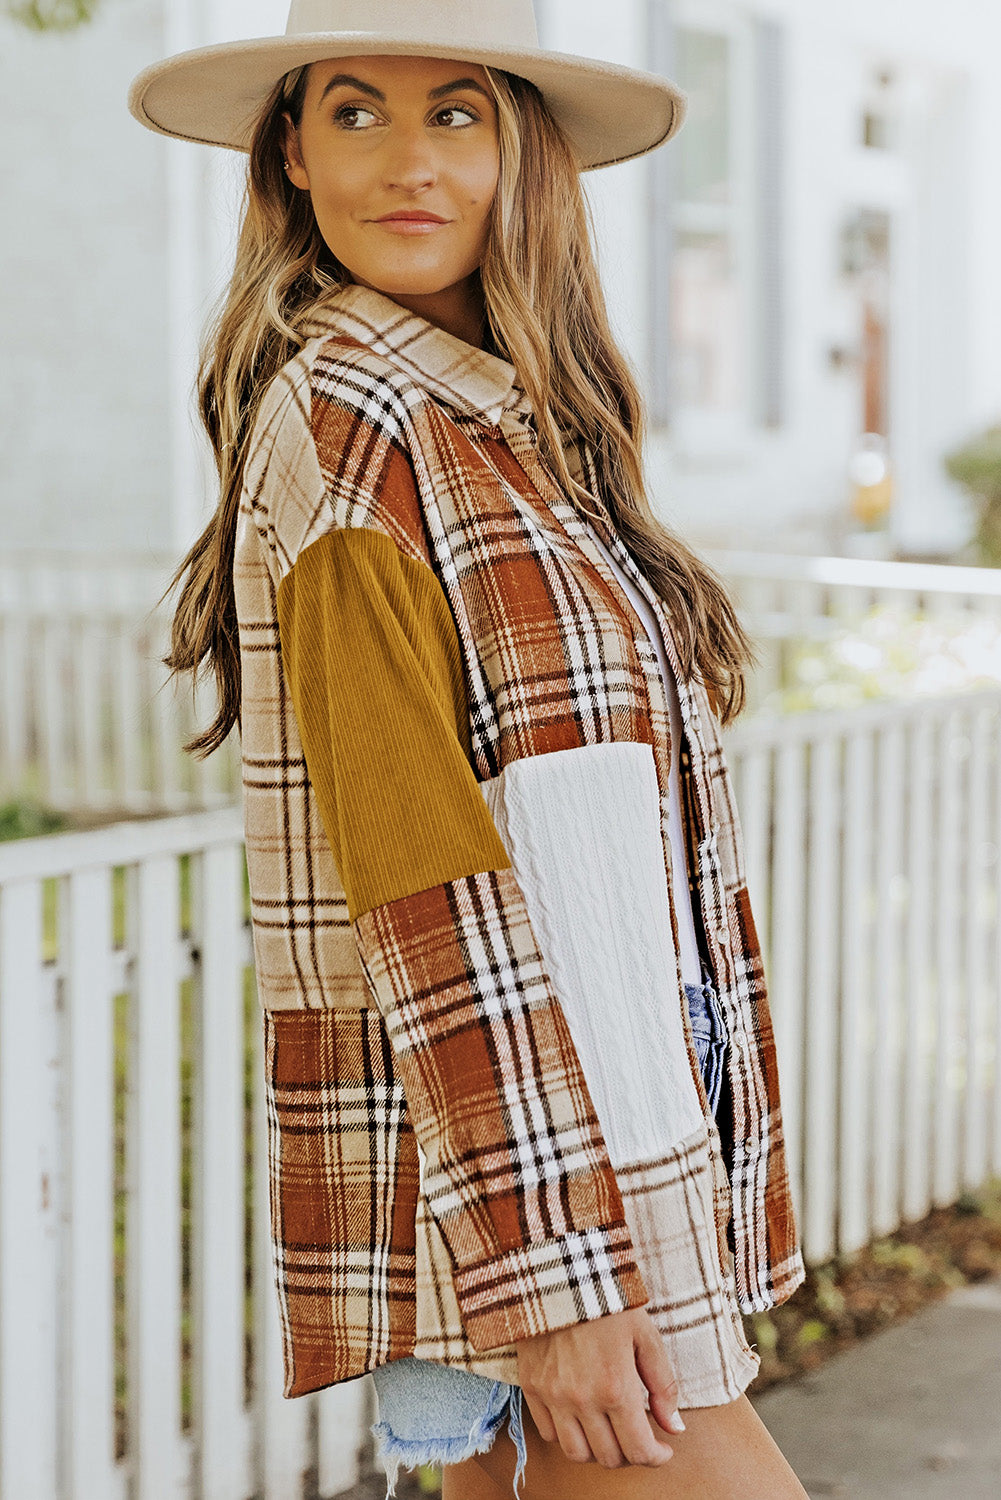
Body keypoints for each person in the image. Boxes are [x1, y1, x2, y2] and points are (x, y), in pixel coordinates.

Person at [130, 3, 809, 1496]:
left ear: (520, 154)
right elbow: (419, 872)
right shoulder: (350, 422)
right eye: (355, 113)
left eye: (455, 113)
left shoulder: (518, 426)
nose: (403, 160)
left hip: (600, 1122)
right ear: (291, 153)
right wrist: (553, 1274)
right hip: (524, 1172)